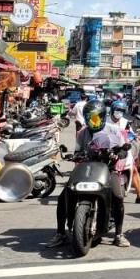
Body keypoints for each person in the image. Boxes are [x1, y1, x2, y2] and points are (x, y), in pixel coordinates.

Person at [48, 100, 131, 249]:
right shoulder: (82, 133)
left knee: (118, 196)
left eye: (96, 117)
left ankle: (119, 234)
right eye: (90, 117)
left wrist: (117, 153)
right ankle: (60, 233)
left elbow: (124, 150)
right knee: (63, 197)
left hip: (108, 169)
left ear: (102, 117)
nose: (94, 121)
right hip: (86, 168)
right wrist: (75, 156)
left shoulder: (114, 130)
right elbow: (77, 151)